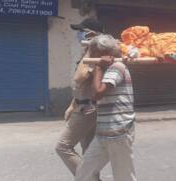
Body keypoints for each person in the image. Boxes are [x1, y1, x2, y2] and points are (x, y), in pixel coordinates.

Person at [75, 34, 137, 181]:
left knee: (124, 177)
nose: (90, 56)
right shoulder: (107, 69)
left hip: (119, 132)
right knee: (83, 173)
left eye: (93, 52)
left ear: (101, 54)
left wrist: (98, 68)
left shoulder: (117, 67)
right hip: (103, 133)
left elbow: (97, 93)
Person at [55, 18, 103, 179]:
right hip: (83, 106)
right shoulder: (88, 54)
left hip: (87, 110)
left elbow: (79, 78)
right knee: (88, 152)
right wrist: (71, 105)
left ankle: (88, 178)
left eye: (82, 31)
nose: (79, 35)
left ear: (92, 35)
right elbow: (81, 87)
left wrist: (89, 50)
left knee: (62, 147)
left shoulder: (95, 55)